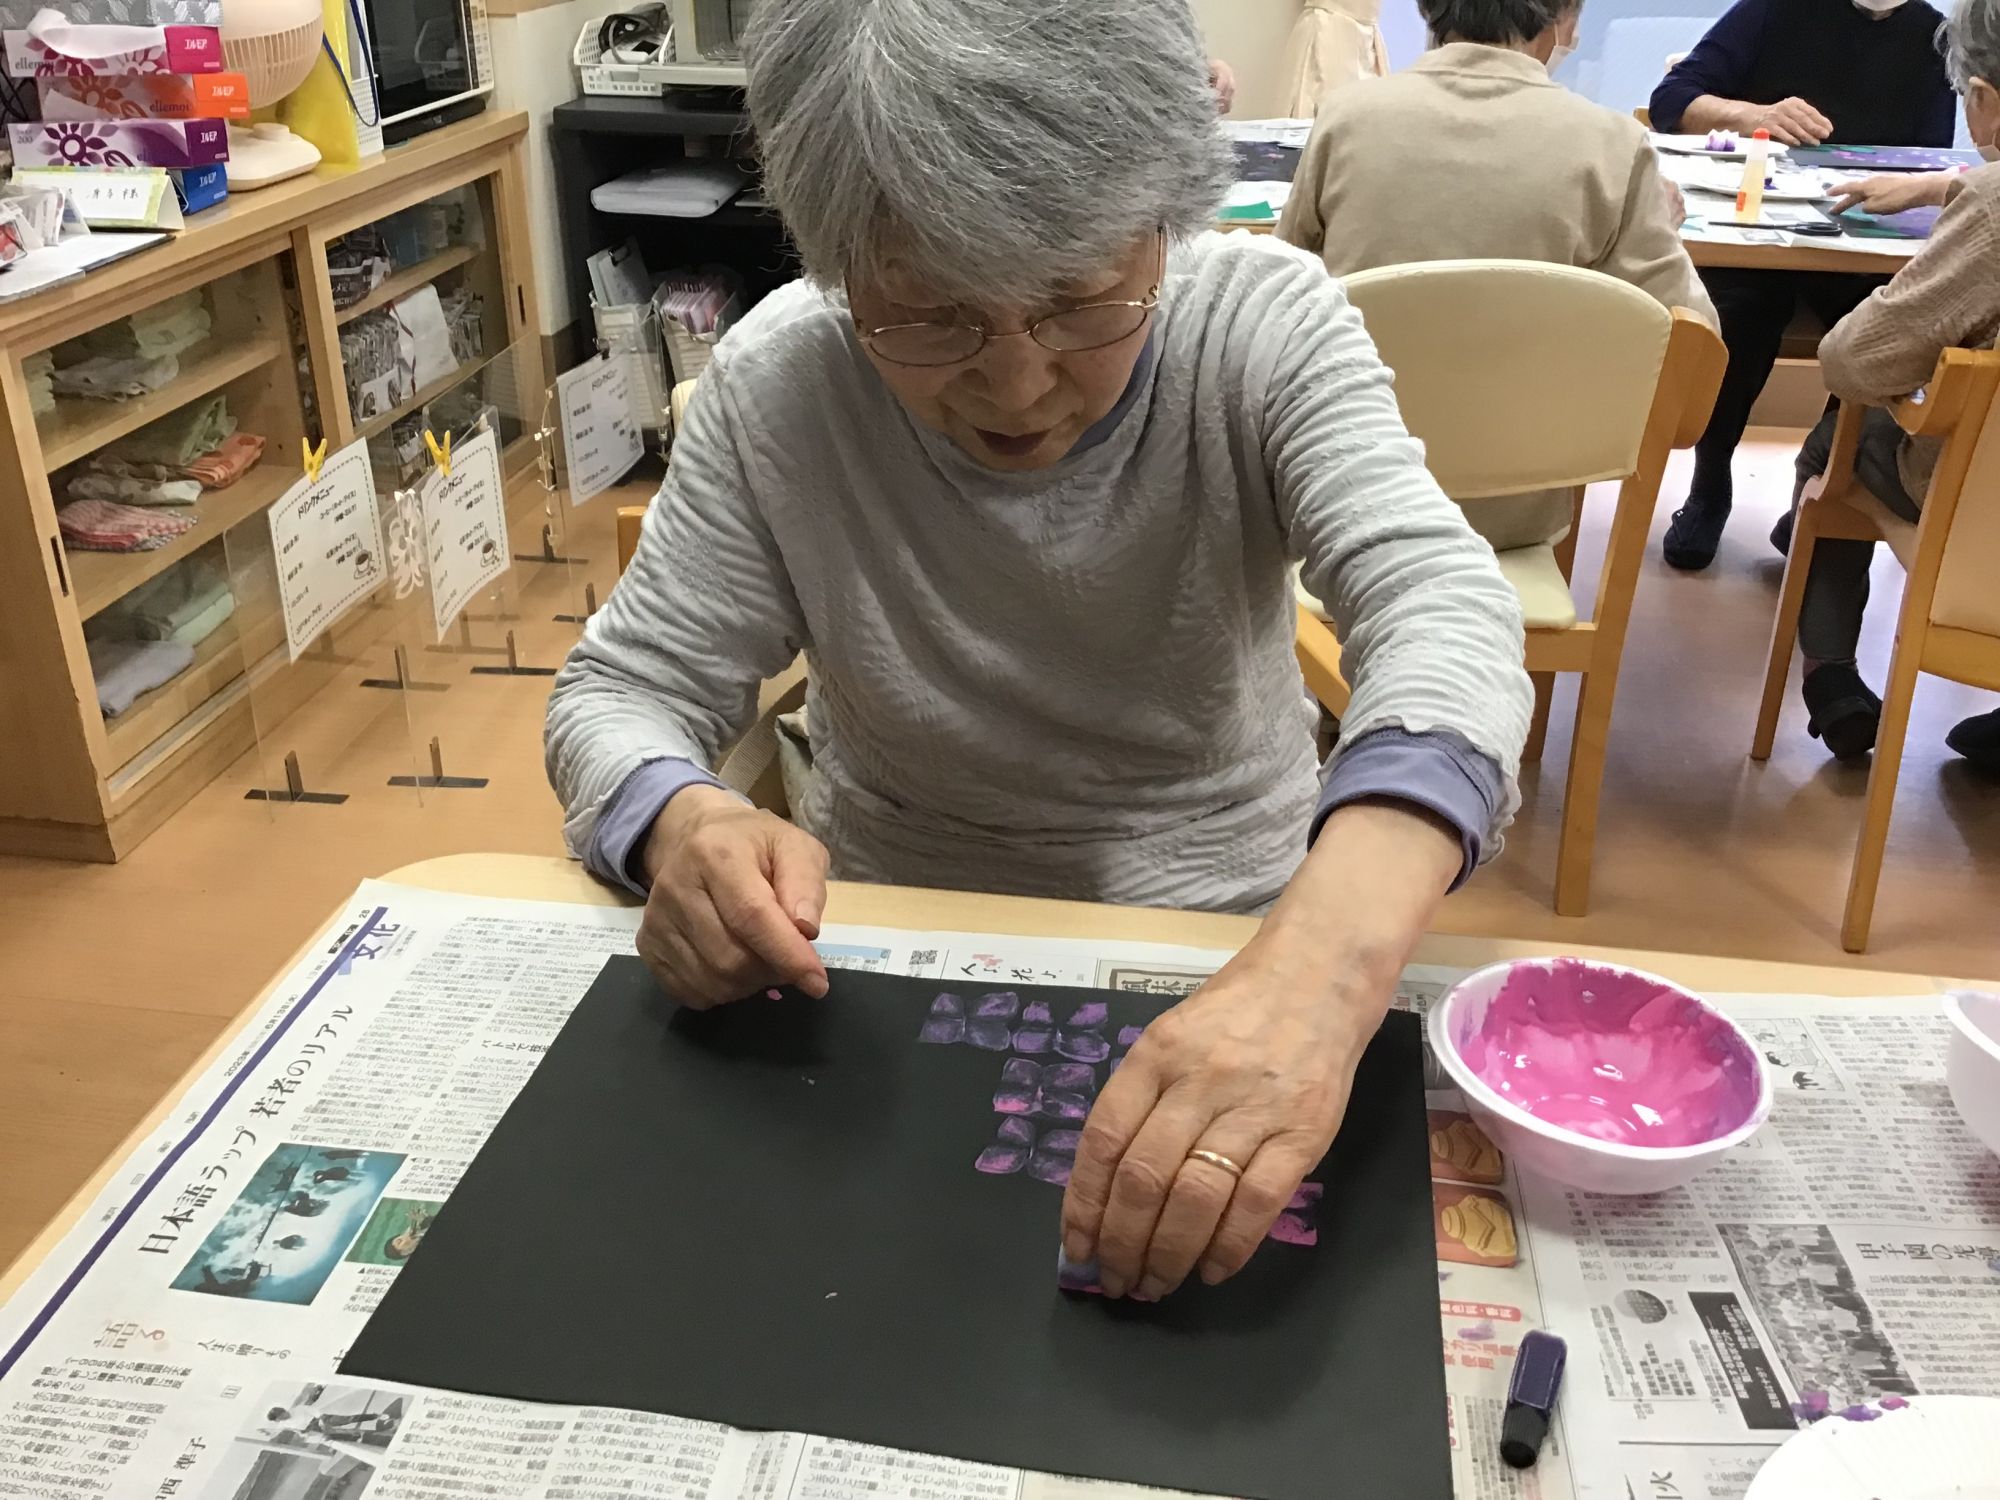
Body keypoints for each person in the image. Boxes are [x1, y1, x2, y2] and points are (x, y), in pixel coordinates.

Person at [546, 0, 1533, 1303]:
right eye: (927, 315)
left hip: (1235, 934)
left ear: (1164, 221)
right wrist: (683, 820)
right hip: (885, 954)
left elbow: (1442, 607)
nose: (1014, 387)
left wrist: (1322, 971)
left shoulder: (1258, 328)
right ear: (835, 262)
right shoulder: (781, 383)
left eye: (1081, 302)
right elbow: (623, 689)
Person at [1280, 0, 1716, 550]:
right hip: (1516, 520)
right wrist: (1664, 231)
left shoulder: (1344, 118)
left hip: (1341, 500)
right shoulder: (1612, 145)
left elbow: (1278, 305)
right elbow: (1690, 374)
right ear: (1564, 18)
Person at [1648, 0, 1956, 571]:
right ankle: (1709, 486)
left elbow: (1930, 155)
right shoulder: (1773, 10)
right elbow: (1671, 100)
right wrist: (1749, 115)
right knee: (1739, 315)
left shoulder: (1932, 35)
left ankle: (1818, 488)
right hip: (1756, 237)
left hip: (1862, 241)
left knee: (1884, 330)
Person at [1780, 0, 2000, 770]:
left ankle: (1831, 675)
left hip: (1983, 532)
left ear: (1984, 99)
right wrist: (1949, 187)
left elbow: (1854, 360)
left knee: (1842, 429)